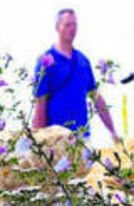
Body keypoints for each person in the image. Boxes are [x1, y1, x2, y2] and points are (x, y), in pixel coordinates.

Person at [32, 8, 120, 144]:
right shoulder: (47, 61)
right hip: (56, 139)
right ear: (57, 27)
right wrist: (38, 142)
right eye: (67, 25)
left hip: (82, 137)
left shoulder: (83, 61)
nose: (72, 29)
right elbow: (40, 104)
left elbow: (97, 99)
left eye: (74, 25)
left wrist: (113, 132)